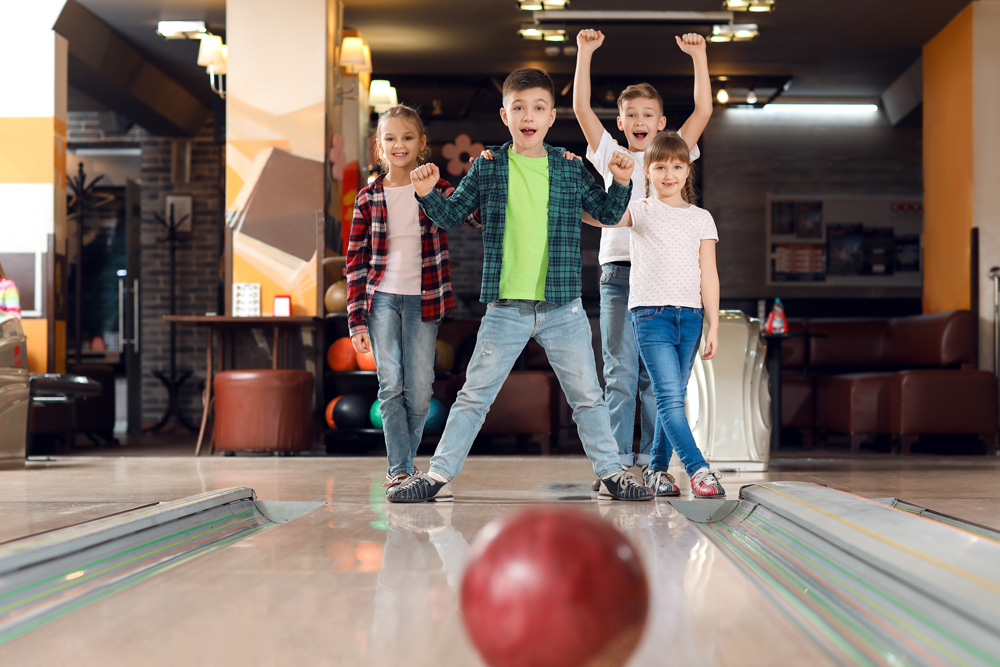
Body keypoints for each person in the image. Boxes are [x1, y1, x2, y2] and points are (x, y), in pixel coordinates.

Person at [387, 67, 652, 503]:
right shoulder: (487, 167)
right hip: (505, 308)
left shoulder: (569, 168)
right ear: (504, 115)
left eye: (539, 108)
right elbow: (452, 216)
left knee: (588, 396)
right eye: (519, 107)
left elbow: (606, 214)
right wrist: (428, 193)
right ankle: (436, 476)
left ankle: (612, 474)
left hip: (562, 308)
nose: (529, 115)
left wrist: (621, 182)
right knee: (473, 397)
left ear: (551, 117)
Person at [573, 28, 712, 496]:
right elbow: (579, 109)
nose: (639, 120)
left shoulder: (669, 156)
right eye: (630, 114)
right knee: (620, 374)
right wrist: (585, 53)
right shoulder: (611, 153)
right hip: (619, 276)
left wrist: (699, 56)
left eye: (647, 114)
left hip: (667, 286)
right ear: (621, 120)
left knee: (659, 384)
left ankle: (659, 466)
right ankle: (612, 466)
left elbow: (704, 111)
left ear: (661, 123)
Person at [585, 131, 723, 497]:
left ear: (687, 170)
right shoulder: (642, 209)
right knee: (668, 397)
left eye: (677, 166)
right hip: (650, 316)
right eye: (660, 166)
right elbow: (600, 216)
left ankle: (657, 470)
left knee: (672, 396)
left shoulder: (702, 218)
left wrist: (714, 324)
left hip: (691, 318)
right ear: (648, 172)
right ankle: (699, 469)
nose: (668, 174)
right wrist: (565, 197)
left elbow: (708, 274)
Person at [346, 104, 476, 491]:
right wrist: (355, 319)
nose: (398, 145)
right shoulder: (367, 198)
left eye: (407, 137)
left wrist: (480, 171)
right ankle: (400, 469)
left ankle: (405, 463)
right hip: (381, 299)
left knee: (419, 391)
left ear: (421, 143)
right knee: (390, 385)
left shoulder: (435, 187)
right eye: (390, 138)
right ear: (379, 146)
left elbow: (470, 215)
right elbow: (355, 261)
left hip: (425, 299)